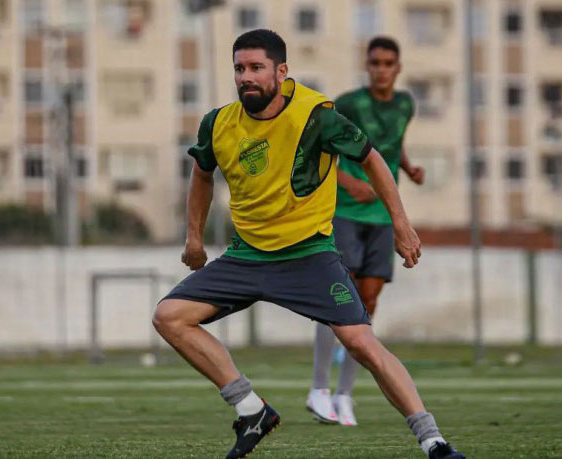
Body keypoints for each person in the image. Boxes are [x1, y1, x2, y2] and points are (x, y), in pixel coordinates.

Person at [153, 29, 464, 459]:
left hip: (308, 256)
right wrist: (193, 237)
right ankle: (251, 410)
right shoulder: (218, 122)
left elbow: (371, 158)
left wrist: (401, 225)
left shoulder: (316, 114)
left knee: (360, 342)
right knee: (170, 316)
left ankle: (434, 441)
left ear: (281, 71)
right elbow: (202, 173)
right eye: (240, 69)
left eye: (257, 68)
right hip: (246, 256)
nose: (247, 77)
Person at [307, 36, 425, 428]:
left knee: (367, 304)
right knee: (341, 297)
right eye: (375, 62)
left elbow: (392, 143)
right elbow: (318, 147)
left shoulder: (406, 104)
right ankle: (320, 388)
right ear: (367, 65)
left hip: (382, 215)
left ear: (398, 68)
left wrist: (407, 168)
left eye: (388, 62)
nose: (381, 69)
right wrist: (345, 180)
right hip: (345, 212)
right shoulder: (349, 103)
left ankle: (345, 395)